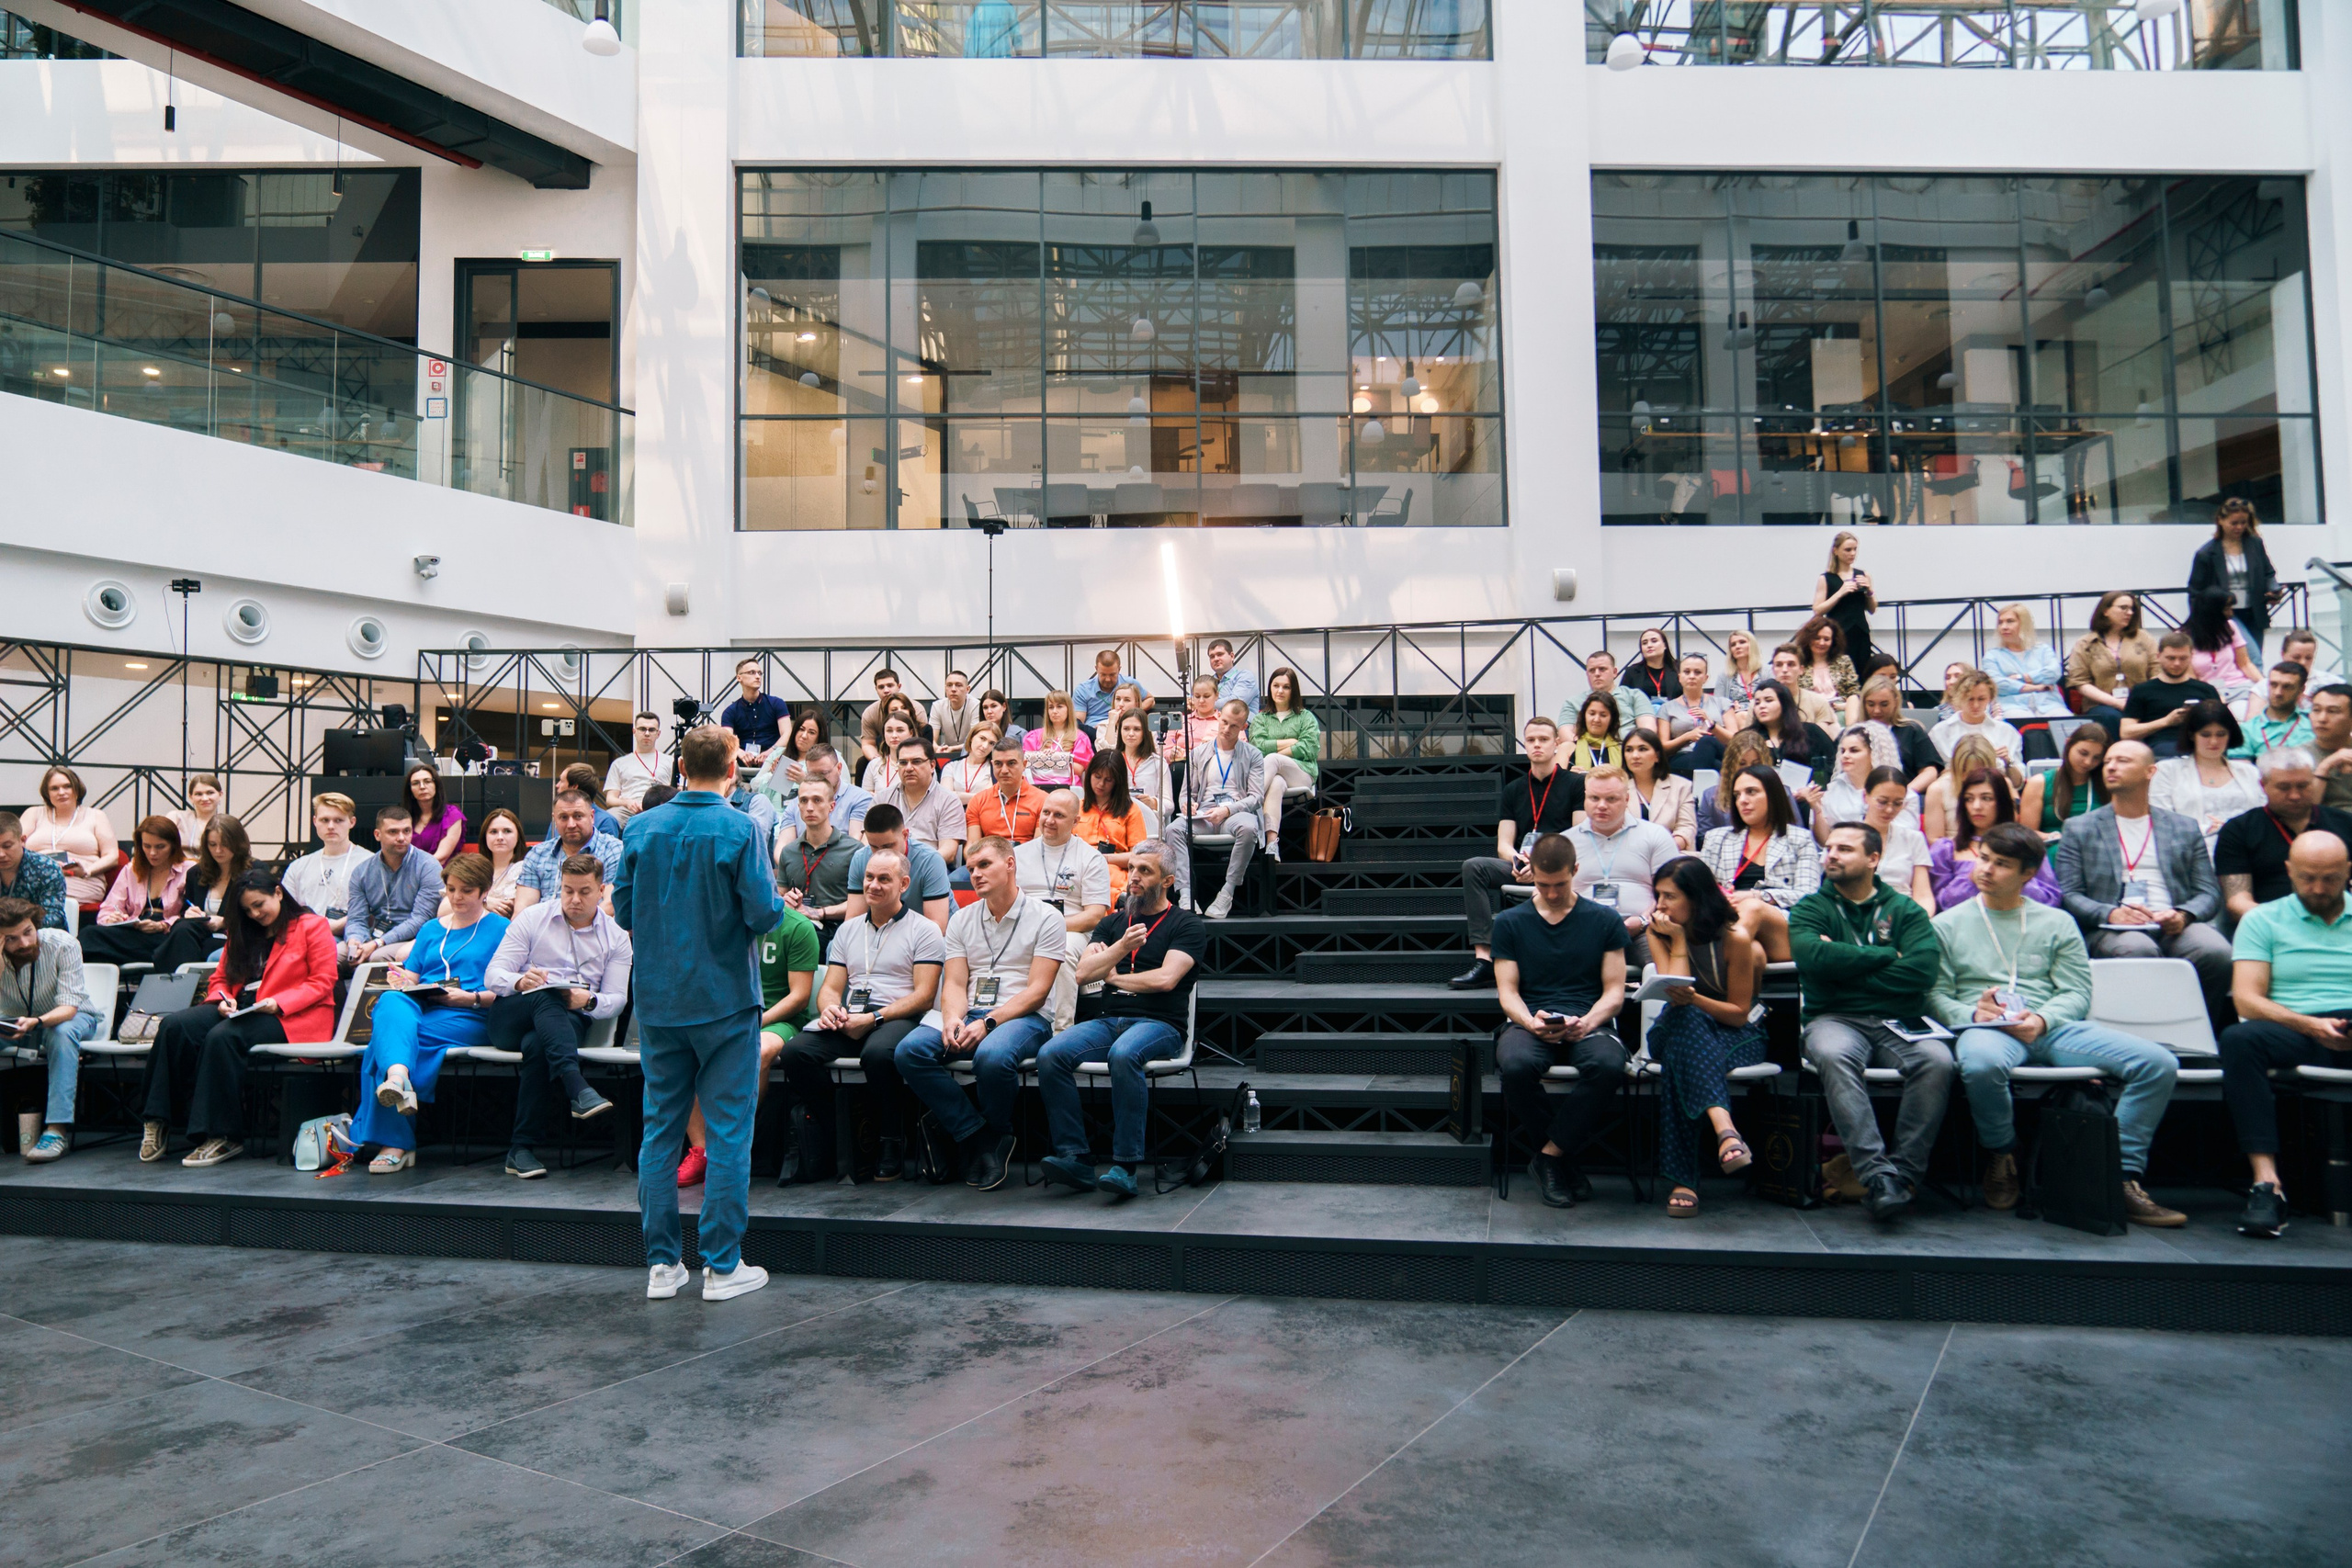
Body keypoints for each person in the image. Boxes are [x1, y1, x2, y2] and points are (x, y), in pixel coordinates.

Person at [1929, 822, 2184, 1223]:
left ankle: (2120, 1175)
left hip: (2052, 1027)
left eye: (2001, 864)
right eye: (1984, 859)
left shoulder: (2057, 921)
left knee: (2159, 1063)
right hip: (1986, 1028)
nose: (1986, 870)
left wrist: (2044, 1019)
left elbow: (2077, 992)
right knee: (1979, 1064)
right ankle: (2002, 1151)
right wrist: (1972, 1015)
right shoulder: (1946, 923)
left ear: (2028, 874)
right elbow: (1935, 995)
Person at [614, 725, 786, 1302]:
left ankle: (662, 1266)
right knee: (729, 1130)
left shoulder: (639, 827)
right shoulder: (742, 827)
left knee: (660, 1131)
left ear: (679, 765)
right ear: (733, 768)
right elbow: (763, 916)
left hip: (660, 1002)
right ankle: (721, 1264)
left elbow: (621, 910)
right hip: (725, 1002)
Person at [1033, 841, 1205, 1199]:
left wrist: (1112, 977)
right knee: (1051, 1054)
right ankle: (1075, 1157)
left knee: (1124, 1055)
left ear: (1168, 880)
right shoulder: (1113, 923)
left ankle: (1125, 1166)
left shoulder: (1186, 924)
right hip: (1110, 1019)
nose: (1134, 878)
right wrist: (1120, 948)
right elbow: (1082, 973)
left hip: (1161, 1024)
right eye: (1132, 869)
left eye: (1146, 871)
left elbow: (1165, 980)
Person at [1792, 823, 1947, 1220]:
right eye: (1828, 848)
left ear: (1874, 859)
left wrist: (1843, 968)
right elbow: (1813, 960)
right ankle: (1877, 1176)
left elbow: (1922, 972)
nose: (1831, 855)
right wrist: (1886, 956)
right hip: (1834, 1017)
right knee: (1833, 1055)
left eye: (1844, 849)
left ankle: (1904, 1177)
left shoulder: (1906, 910)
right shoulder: (1811, 908)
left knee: (1938, 1061)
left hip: (1902, 1019)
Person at [894, 835, 1064, 1191]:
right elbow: (954, 983)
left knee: (992, 1055)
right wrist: (953, 1018)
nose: (975, 874)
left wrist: (989, 1022)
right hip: (970, 1010)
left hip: (1024, 1017)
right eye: (970, 868)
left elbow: (1038, 991)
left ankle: (997, 1131)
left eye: (984, 865)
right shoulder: (962, 919)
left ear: (1010, 864)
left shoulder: (1046, 916)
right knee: (909, 1052)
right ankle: (979, 1136)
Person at [138, 868, 336, 1168]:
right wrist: (222, 1000)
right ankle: (156, 1120)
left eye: (259, 904)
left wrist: (279, 1002)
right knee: (174, 1026)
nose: (255, 914)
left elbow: (323, 981)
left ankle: (224, 1136)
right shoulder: (243, 931)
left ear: (279, 893)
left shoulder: (312, 926)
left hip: (293, 1015)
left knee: (224, 1037)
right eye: (247, 909)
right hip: (242, 1006)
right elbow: (220, 979)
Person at [778, 848, 944, 1185]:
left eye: (885, 879)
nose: (874, 885)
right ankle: (843, 1136)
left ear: (904, 884)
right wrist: (829, 1009)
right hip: (850, 1015)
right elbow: (831, 987)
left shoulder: (924, 929)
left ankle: (890, 1141)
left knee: (878, 1054)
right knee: (796, 1053)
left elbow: (924, 995)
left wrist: (874, 1019)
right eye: (870, 877)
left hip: (899, 1016)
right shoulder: (848, 930)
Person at [2218, 829, 2352, 1238]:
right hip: (2296, 1025)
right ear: (2289, 871)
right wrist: (2308, 1024)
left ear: (2348, 872)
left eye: (2330, 878)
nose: (2318, 888)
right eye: (2308, 877)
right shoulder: (2264, 919)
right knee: (2239, 1039)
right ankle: (2266, 1183)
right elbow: (2246, 1000)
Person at [345, 852, 511, 1173]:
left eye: (466, 890)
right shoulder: (432, 929)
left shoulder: (503, 929)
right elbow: (414, 976)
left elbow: (510, 988)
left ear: (484, 890)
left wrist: (471, 998)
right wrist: (402, 979)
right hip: (429, 1007)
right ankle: (399, 1079)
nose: (457, 897)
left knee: (386, 1043)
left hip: (472, 1013)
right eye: (451, 889)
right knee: (391, 1002)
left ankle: (396, 1140)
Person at [1489, 833, 1628, 1208]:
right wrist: (1529, 1021)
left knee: (1609, 1064)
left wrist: (1589, 1020)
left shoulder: (1604, 919)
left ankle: (1549, 1157)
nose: (1551, 894)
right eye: (1542, 884)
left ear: (1576, 871)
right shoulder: (1510, 922)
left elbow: (1615, 992)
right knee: (1516, 1064)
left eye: (1560, 885)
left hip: (1589, 1018)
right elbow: (1508, 993)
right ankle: (1563, 1159)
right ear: (1532, 874)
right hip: (1529, 1019)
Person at [2054, 739, 2233, 1021]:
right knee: (2137, 948)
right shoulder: (2079, 827)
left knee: (2216, 951)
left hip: (2171, 922)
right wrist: (2112, 913)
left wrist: (2183, 915)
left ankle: (2196, 1032)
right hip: (2110, 927)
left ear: (2150, 772)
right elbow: (2068, 893)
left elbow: (2208, 892)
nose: (2111, 767)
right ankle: (2141, 1035)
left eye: (2123, 761)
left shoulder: (2183, 827)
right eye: (2109, 761)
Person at [487, 853, 634, 1180]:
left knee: (540, 1045)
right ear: (560, 886)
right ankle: (577, 1086)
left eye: (584, 891)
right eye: (568, 890)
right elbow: (493, 974)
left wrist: (590, 999)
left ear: (601, 890)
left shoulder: (616, 937)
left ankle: (520, 1149)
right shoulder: (531, 918)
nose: (575, 899)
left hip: (569, 1019)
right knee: (544, 994)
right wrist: (520, 980)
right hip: (513, 1014)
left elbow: (617, 1001)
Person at [1644, 857, 1765, 1216]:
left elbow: (1740, 1013)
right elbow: (1675, 993)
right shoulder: (1658, 931)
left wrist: (1694, 999)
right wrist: (1678, 939)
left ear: (1696, 898)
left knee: (1684, 1057)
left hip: (1736, 1034)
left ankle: (1684, 1182)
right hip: (1676, 1025)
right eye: (1658, 895)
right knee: (1687, 1019)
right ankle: (1725, 1128)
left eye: (1671, 896)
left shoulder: (1735, 939)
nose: (1661, 905)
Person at [1453, 716, 1586, 990]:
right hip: (1521, 865)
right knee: (1473, 867)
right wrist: (1517, 860)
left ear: (1556, 744)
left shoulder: (1574, 783)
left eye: (1544, 740)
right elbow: (1503, 842)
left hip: (1560, 868)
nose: (1537, 745)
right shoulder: (1514, 789)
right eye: (1531, 740)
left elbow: (1579, 837)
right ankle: (1485, 959)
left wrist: (1541, 865)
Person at [0, 897, 105, 1163]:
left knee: (60, 1032)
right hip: (14, 1021)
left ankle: (56, 1131)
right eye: (11, 939)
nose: (24, 943)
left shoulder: (63, 944)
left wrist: (36, 1022)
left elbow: (69, 1008)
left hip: (74, 1017)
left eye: (28, 932)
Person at [1697, 764, 1820, 962]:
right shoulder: (1716, 838)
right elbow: (1701, 890)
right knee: (1753, 954)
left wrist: (1757, 896)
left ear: (1773, 795)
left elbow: (1809, 897)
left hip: (1783, 928)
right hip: (1730, 922)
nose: (1743, 800)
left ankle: (1710, 963)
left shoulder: (1800, 839)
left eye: (1751, 792)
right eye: (1737, 795)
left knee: (1753, 907)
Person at [2215, 750, 2352, 922]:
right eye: (2284, 787)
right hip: (2270, 925)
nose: (2295, 795)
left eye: (2303, 786)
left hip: (2339, 922)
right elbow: (2237, 902)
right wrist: (2289, 922)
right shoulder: (2239, 830)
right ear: (2263, 785)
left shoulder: (2345, 823)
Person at [1566, 765, 1679, 973]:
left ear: (1627, 800)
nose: (1601, 806)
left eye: (1611, 799)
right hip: (1583, 928)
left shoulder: (1655, 835)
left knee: (1661, 971)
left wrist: (1644, 920)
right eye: (1594, 798)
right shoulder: (1566, 842)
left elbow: (1672, 893)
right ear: (1584, 798)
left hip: (1645, 928)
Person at [1162, 698, 1267, 919]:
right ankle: (1185, 894)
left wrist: (1228, 811)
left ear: (1243, 727)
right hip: (1206, 814)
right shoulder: (1199, 753)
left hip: (1236, 813)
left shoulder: (1253, 755)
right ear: (1218, 716)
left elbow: (1256, 797)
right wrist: (1187, 804)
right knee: (1173, 829)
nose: (1227, 729)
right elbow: (1186, 792)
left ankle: (1227, 891)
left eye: (1234, 726)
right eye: (1225, 722)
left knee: (1249, 829)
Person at [1928, 769, 2062, 913]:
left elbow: (2051, 899)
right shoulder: (1945, 849)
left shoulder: (2027, 846)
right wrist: (1971, 878)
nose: (1976, 806)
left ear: (2002, 802)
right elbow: (1940, 904)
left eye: (1986, 798)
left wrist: (2014, 879)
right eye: (1969, 799)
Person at [78, 817, 200, 968]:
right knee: (89, 934)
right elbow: (109, 908)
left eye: (160, 847)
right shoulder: (132, 869)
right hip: (135, 932)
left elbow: (193, 915)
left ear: (173, 845)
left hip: (168, 935)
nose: (152, 853)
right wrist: (113, 918)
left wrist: (163, 925)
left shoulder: (189, 869)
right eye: (147, 846)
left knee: (179, 939)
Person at [2150, 700, 2261, 852]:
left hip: (2247, 851)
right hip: (2190, 854)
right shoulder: (2166, 771)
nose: (2214, 741)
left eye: (2221, 734)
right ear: (2191, 735)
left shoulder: (2250, 772)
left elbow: (2263, 818)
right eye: (2205, 735)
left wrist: (2230, 830)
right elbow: (2161, 823)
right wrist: (2207, 828)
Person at [342, 805, 446, 964]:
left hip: (414, 937)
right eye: (393, 832)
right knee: (335, 954)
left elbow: (421, 919)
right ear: (377, 835)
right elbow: (356, 919)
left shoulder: (428, 866)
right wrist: (355, 940)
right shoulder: (361, 871)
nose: (401, 837)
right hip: (372, 936)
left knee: (377, 958)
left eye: (406, 831)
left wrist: (377, 943)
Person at [2188, 495, 2282, 660]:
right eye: (2234, 523)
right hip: (2225, 613)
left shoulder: (2255, 544)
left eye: (2243, 522)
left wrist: (2274, 590)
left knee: (2253, 655)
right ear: (2221, 521)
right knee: (2252, 658)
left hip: (2254, 611)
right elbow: (2195, 592)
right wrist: (2201, 623)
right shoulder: (2206, 554)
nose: (2239, 527)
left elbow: (2268, 573)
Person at [1017, 788, 1114, 939]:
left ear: (1075, 821)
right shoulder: (1018, 855)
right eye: (1046, 813)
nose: (1049, 820)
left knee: (1060, 951)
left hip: (1072, 932)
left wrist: (1049, 927)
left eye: (1059, 815)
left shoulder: (1091, 858)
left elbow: (1094, 916)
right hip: (1024, 929)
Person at [844, 803, 955, 932]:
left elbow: (937, 927)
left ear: (905, 835)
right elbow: (853, 920)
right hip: (884, 930)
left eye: (888, 846)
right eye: (873, 846)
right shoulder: (860, 858)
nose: (881, 853)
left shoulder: (931, 861)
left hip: (926, 934)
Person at [2065, 590, 2161, 739]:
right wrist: (2116, 703)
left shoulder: (2144, 638)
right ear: (2105, 611)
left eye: (2132, 609)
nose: (2129, 613)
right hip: (2102, 705)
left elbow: (2157, 672)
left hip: (2141, 702)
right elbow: (2080, 682)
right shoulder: (2085, 643)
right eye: (2123, 608)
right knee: (2111, 717)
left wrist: (2139, 701)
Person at [776, 776, 859, 948]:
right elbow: (780, 894)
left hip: (837, 930)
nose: (810, 807)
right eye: (804, 801)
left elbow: (861, 903)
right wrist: (786, 900)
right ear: (798, 806)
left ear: (832, 806)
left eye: (817, 800)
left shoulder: (854, 850)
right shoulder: (789, 852)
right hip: (797, 927)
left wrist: (820, 913)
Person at [512, 790, 623, 915]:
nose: (571, 824)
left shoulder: (613, 850)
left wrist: (568, 929)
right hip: (541, 930)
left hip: (592, 930)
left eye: (578, 816)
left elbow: (611, 904)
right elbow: (523, 908)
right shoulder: (537, 854)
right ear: (555, 819)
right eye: (564, 817)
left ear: (592, 817)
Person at [1982, 604, 2069, 761]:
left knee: (2067, 724)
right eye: (2000, 623)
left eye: (2010, 621)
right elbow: (1997, 684)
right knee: (2020, 723)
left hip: (2049, 704)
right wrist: (2036, 687)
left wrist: (2021, 678)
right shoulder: (1992, 656)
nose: (2004, 627)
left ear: (2024, 623)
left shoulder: (2043, 650)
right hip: (2013, 706)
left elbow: (2054, 672)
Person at [21, 766, 117, 908]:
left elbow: (113, 856)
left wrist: (87, 871)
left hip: (80, 880)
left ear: (77, 789)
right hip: (37, 878)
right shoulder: (33, 813)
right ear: (47, 793)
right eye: (54, 788)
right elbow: (13, 846)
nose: (61, 792)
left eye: (67, 786)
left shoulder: (96, 816)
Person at [1249, 666, 1318, 857]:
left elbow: (1310, 748)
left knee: (1272, 759)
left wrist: (1278, 754)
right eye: (1276, 685)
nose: (1280, 691)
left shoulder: (1305, 717)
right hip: (1274, 775)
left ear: (1293, 690)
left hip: (1302, 774)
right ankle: (1272, 844)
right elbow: (1257, 747)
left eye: (1286, 687)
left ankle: (1246, 805)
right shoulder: (1261, 719)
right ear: (1270, 688)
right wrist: (1291, 742)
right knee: (1277, 782)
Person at [2120, 632, 2221, 759]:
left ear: (2191, 657)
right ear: (2158, 656)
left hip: (2202, 743)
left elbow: (2222, 724)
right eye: (2171, 658)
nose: (2177, 663)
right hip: (2161, 746)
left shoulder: (2206, 690)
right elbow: (2126, 732)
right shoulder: (2142, 690)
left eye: (2183, 658)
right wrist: (2166, 722)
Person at [876, 736, 966, 868]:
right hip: (887, 868)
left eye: (916, 761)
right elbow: (869, 843)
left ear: (932, 765)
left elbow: (948, 852)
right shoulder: (882, 799)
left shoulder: (949, 801)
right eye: (903, 762)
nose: (909, 768)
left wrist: (911, 867)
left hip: (930, 869)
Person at [281, 793, 359, 935]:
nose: (331, 826)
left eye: (338, 820)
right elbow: (286, 910)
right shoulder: (298, 866)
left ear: (352, 822)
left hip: (349, 937)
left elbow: (373, 911)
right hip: (305, 936)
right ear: (315, 821)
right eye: (325, 820)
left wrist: (328, 928)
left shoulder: (368, 862)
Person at [1079, 753, 1149, 903]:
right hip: (1077, 868)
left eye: (1108, 780)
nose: (1101, 784)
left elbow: (1140, 856)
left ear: (1118, 781)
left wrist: (1104, 858)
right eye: (1097, 776)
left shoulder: (1131, 810)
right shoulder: (1076, 806)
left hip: (1113, 869)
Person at [1860, 766, 1934, 905]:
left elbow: (1923, 895)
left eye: (1897, 804)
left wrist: (1921, 921)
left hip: (1903, 913)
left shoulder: (1913, 839)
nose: (1889, 810)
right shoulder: (1844, 836)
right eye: (1882, 802)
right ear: (1865, 797)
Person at [2021, 725, 2109, 841]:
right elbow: (2027, 833)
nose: (2088, 762)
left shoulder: (2107, 784)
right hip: (2053, 847)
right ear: (2068, 744)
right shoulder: (2039, 783)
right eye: (2083, 753)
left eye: (2096, 758)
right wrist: (2053, 837)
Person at [1924, 735, 2016, 842]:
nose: (1971, 777)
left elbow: (2011, 829)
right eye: (1965, 770)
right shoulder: (1937, 790)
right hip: (1955, 852)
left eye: (1979, 771)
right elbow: (1934, 839)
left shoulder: (2004, 784)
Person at [1929, 669, 2025, 771]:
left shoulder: (2007, 731)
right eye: (1970, 699)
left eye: (1981, 699)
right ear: (1959, 698)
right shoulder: (1939, 732)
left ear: (1990, 698)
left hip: (1995, 782)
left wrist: (2008, 761)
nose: (1975, 705)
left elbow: (2019, 782)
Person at [1747, 679, 1831, 795]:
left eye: (1768, 700)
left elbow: (1832, 762)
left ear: (1784, 704)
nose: (1762, 706)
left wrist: (1812, 788)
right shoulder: (1747, 738)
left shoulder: (1810, 732)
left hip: (1808, 798)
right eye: (1757, 703)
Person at [1693, 729, 1774, 844]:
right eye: (1742, 764)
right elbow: (1704, 838)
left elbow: (1792, 831)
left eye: (1755, 764)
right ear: (1731, 764)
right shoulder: (1710, 796)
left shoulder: (1781, 792)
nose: (1748, 770)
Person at [2184, 592, 2262, 709]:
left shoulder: (2230, 626)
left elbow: (2245, 663)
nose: (2231, 613)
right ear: (2211, 611)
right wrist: (2213, 696)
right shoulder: (2184, 637)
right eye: (2226, 609)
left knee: (2244, 713)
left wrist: (2264, 684)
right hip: (2206, 693)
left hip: (2239, 689)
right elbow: (2191, 678)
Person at [1813, 529, 1877, 670]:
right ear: (1835, 551)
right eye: (1848, 550)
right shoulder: (1826, 578)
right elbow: (1817, 610)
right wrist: (1840, 593)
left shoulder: (1863, 574)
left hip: (1861, 632)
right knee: (1840, 672)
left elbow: (1872, 609)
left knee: (1863, 672)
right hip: (1838, 634)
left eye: (1855, 549)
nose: (1852, 554)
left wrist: (1869, 591)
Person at [1621, 728, 1694, 850]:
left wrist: (1666, 847)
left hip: (1670, 854)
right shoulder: (1617, 787)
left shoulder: (1681, 786)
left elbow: (1686, 828)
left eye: (1642, 749)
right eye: (1629, 750)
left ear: (1657, 756)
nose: (1635, 756)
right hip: (1628, 853)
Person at [967, 738, 1047, 847]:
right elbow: (972, 845)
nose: (1004, 770)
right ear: (992, 765)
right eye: (998, 764)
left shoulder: (1043, 800)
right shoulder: (978, 800)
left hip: (1027, 860)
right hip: (988, 860)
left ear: (1024, 765)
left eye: (1011, 763)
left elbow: (1040, 846)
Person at [1655, 653, 1728, 771]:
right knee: (1715, 766)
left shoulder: (1722, 703)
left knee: (1707, 741)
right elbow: (1663, 747)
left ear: (1706, 678)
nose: (1692, 676)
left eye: (1698, 672)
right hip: (1683, 756)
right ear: (1679, 677)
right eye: (1687, 672)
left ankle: (1698, 786)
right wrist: (1688, 736)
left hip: (1719, 753)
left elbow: (1736, 740)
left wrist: (1712, 724)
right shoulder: (1667, 708)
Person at [0, 811, 69, 931]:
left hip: (39, 939)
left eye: (7, 846)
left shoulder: (46, 869)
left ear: (22, 840)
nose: (1, 854)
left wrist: (14, 929)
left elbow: (54, 917)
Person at [1558, 648, 1645, 738]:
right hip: (1586, 749)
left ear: (1615, 672)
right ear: (1587, 674)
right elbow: (1565, 733)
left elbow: (1647, 729)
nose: (1597, 674)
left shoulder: (1634, 696)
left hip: (1627, 748)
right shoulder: (1572, 702)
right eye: (1592, 670)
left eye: (1602, 669)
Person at [2236, 662, 2316, 760]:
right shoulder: (2247, 730)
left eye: (2287, 687)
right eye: (2273, 685)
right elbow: (2242, 768)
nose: (2278, 692)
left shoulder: (2314, 723)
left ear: (2301, 689)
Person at [1792, 615, 1861, 728]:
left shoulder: (1843, 661)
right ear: (1809, 639)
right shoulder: (1799, 663)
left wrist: (1843, 706)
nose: (1821, 643)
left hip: (1840, 710)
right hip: (1811, 712)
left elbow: (1853, 692)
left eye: (1826, 639)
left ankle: (1850, 732)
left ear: (1833, 641)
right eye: (1817, 638)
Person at [721, 656, 793, 761]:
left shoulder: (777, 703)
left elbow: (787, 734)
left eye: (760, 673)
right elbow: (726, 739)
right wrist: (740, 752)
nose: (758, 676)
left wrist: (771, 752)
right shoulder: (730, 711)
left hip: (774, 759)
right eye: (752, 672)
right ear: (739, 677)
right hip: (742, 760)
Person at [792, 743, 873, 834]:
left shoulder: (860, 798)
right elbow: (784, 844)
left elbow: (855, 842)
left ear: (839, 768)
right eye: (812, 774)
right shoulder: (795, 804)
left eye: (824, 773)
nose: (819, 779)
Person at [605, 711, 673, 818]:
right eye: (642, 729)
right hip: (629, 811)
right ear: (634, 731)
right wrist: (627, 802)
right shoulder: (619, 763)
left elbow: (680, 790)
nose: (647, 733)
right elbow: (610, 799)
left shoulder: (670, 761)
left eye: (651, 730)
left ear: (658, 734)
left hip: (662, 810)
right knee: (610, 817)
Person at [1023, 688, 1093, 791]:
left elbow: (1079, 769)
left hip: (1068, 789)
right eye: (1051, 707)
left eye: (1059, 706)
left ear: (1068, 709)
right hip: (1035, 788)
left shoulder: (1080, 737)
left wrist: (1053, 757)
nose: (1054, 711)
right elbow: (1024, 765)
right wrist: (1055, 759)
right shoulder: (1033, 736)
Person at [403, 762, 467, 866]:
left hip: (442, 875)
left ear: (436, 786)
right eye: (415, 783)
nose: (422, 787)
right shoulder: (405, 817)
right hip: (408, 875)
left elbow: (441, 857)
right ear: (410, 790)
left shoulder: (452, 814)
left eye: (427, 781)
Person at [470, 807, 528, 918]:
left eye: (507, 831)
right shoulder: (473, 867)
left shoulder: (526, 869)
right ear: (485, 837)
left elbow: (510, 908)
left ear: (518, 836)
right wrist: (485, 901)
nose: (500, 837)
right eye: (493, 832)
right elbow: (444, 908)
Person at [1766, 646, 1839, 731]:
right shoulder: (1760, 704)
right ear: (1773, 669)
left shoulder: (1818, 702)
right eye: (1779, 665)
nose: (1785, 669)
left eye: (1791, 664)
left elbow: (1823, 740)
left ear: (1801, 670)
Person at [1116, 708, 1170, 818]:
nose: (1131, 734)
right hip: (1117, 820)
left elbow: (1169, 805)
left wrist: (1153, 803)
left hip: (1148, 820)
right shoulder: (1112, 760)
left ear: (1145, 732)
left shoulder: (1158, 762)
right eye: (1126, 729)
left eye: (1137, 729)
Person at [1079, 649, 1148, 731]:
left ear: (1119, 669)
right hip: (1093, 731)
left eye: (1112, 675)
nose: (1108, 679)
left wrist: (1132, 711)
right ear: (1096, 669)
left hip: (1125, 727)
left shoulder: (1130, 684)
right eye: (1103, 674)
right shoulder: (1083, 690)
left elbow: (1150, 699)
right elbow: (1078, 722)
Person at [1159, 675, 1222, 764]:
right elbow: (1163, 751)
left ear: (1216, 696)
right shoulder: (1180, 721)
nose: (1201, 700)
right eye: (1197, 696)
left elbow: (1240, 748)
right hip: (1182, 767)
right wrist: (1171, 754)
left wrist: (1219, 747)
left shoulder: (1226, 721)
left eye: (1206, 696)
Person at [859, 711, 921, 797]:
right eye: (889, 731)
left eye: (900, 730)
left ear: (911, 733)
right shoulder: (874, 764)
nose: (894, 735)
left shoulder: (922, 763)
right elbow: (865, 800)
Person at [2312, 683, 2352, 814]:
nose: (2322, 719)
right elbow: (2304, 811)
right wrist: (2325, 766)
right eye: (2316, 710)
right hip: (2324, 827)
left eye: (2333, 711)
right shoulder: (2297, 757)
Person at [856, 669, 911, 762]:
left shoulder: (917, 708)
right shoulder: (870, 713)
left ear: (899, 686)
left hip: (913, 753)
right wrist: (878, 762)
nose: (886, 690)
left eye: (890, 685)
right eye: (881, 687)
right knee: (862, 762)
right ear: (876, 689)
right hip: (884, 753)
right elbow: (868, 744)